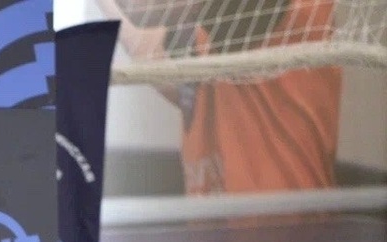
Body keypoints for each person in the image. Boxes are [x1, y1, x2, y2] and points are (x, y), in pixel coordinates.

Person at [97, 0, 342, 194]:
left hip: (284, 231)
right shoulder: (208, 34)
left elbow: (141, 8)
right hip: (216, 234)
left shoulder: (269, 10)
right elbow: (150, 51)